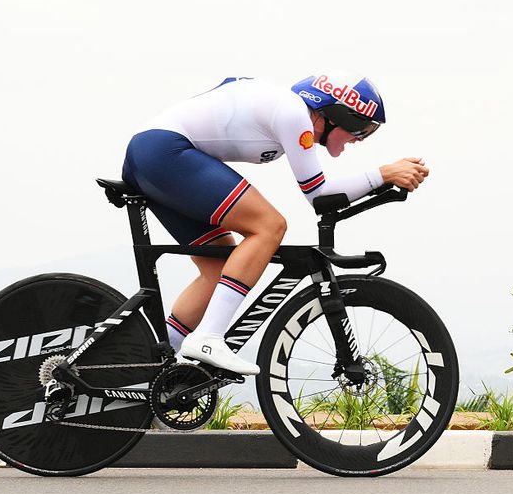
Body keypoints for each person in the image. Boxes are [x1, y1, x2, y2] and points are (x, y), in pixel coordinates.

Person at [121, 72, 428, 375]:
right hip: (164, 152)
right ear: (337, 115)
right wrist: (383, 174)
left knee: (220, 266)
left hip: (154, 154)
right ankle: (208, 338)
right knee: (270, 226)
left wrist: (381, 181)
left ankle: (149, 370)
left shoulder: (285, 109)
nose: (360, 139)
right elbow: (319, 194)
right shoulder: (294, 113)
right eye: (362, 128)